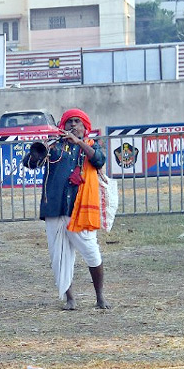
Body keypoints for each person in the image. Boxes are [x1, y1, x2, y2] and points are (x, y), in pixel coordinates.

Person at [23, 108, 110, 310]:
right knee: (59, 256)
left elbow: (99, 160)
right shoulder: (54, 146)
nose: (72, 125)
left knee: (91, 251)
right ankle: (70, 299)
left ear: (85, 127)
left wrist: (78, 142)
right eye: (69, 122)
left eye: (77, 122)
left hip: (81, 209)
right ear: (63, 126)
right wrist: (38, 152)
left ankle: (100, 297)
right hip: (55, 207)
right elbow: (28, 163)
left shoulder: (91, 145)